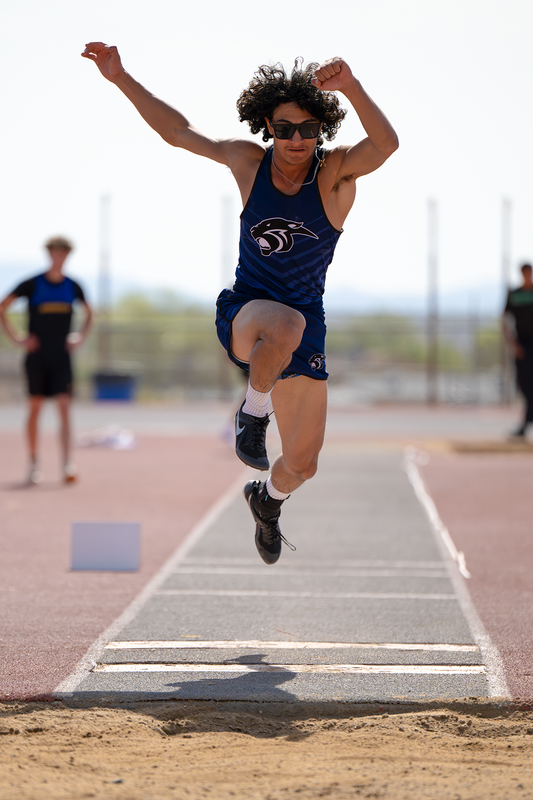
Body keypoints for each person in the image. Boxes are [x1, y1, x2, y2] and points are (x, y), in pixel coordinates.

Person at [82, 43, 398, 563]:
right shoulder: (247, 163)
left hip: (303, 328)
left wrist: (352, 87)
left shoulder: (335, 174)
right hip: (247, 314)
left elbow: (386, 144)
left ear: (321, 128)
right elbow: (177, 133)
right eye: (282, 128)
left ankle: (267, 501)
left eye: (306, 129)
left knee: (302, 464)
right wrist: (121, 77)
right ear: (266, 127)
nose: (295, 139)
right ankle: (252, 415)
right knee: (284, 322)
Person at [0, 237, 92, 484]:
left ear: (68, 256)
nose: (59, 257)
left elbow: (90, 312)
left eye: (63, 253)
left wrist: (79, 337)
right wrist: (18, 338)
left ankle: (66, 464)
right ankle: (33, 464)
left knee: (64, 408)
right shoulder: (31, 284)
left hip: (61, 357)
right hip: (36, 357)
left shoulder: (73, 286)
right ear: (49, 254)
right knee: (35, 408)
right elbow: (3, 306)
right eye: (55, 253)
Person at [503, 262, 533, 438]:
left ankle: (525, 425)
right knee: (524, 384)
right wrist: (513, 344)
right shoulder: (515, 294)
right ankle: (526, 422)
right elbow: (505, 319)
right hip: (521, 344)